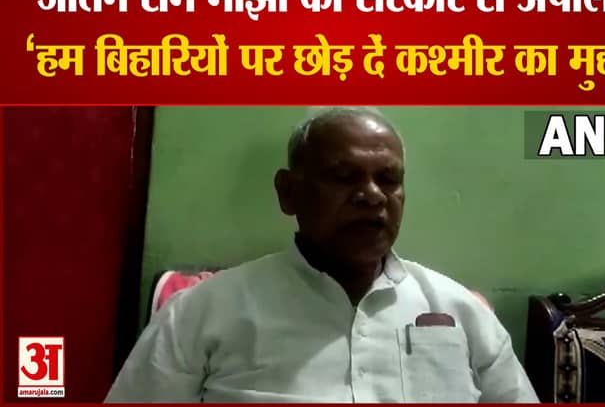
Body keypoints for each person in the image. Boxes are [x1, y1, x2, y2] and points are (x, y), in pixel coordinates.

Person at [105, 107, 539, 403]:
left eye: (389, 180)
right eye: (344, 177)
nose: (372, 195)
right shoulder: (202, 312)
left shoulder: (461, 313)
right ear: (288, 193)